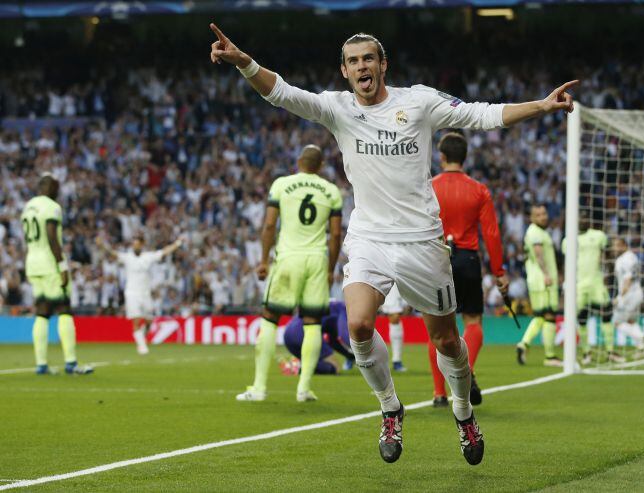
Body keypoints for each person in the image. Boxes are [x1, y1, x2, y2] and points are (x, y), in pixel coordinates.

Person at [209, 24, 575, 464]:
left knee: (445, 341)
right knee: (360, 325)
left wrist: (541, 104)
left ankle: (463, 412)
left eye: (368, 58)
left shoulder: (417, 101)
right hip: (369, 238)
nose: (361, 66)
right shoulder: (337, 109)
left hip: (422, 240)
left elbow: (481, 114)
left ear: (383, 65)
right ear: (344, 72)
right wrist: (244, 61)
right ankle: (390, 408)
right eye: (353, 61)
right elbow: (283, 93)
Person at [236, 144, 343, 403]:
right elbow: (336, 234)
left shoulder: (282, 184)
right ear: (319, 166)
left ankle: (259, 387)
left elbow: (270, 224)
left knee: (270, 318)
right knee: (313, 323)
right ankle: (304, 389)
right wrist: (330, 269)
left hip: (288, 258)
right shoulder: (331, 191)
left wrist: (263, 260)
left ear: (298, 162)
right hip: (316, 260)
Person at [430, 132, 508, 407]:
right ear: (465, 158)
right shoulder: (479, 190)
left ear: (441, 157)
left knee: (437, 326)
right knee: (473, 321)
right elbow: (492, 233)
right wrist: (499, 271)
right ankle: (466, 370)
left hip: (437, 258)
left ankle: (439, 394)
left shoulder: (429, 187)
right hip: (468, 260)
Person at [21, 174, 92, 375]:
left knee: (42, 312)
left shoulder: (28, 206)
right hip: (49, 263)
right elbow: (52, 236)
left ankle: (41, 364)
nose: (58, 193)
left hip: (32, 263)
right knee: (64, 309)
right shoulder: (51, 207)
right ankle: (71, 363)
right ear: (50, 188)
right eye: (56, 189)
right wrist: (61, 266)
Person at [96, 234, 185, 354]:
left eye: (137, 245)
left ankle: (141, 337)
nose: (135, 247)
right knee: (136, 319)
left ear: (142, 245)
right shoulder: (127, 257)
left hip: (145, 293)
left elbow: (164, 252)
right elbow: (113, 253)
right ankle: (141, 345)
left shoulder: (148, 257)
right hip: (132, 292)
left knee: (149, 320)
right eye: (133, 245)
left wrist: (178, 243)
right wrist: (102, 245)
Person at [561, 215, 623, 365]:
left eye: (584, 218)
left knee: (607, 313)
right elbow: (565, 264)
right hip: (579, 285)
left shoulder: (598, 236)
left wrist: (609, 276)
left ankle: (610, 351)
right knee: (581, 318)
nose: (582, 220)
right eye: (579, 218)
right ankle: (586, 353)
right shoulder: (567, 241)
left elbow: (607, 256)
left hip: (596, 282)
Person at [517, 204, 562, 367]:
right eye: (539, 215)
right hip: (542, 280)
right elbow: (538, 253)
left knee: (541, 316)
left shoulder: (539, 231)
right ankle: (550, 357)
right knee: (549, 315)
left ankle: (524, 344)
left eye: (544, 213)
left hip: (537, 280)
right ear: (532, 218)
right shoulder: (535, 232)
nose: (543, 217)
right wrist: (546, 274)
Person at [282, 300, 356, 375]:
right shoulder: (343, 308)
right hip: (305, 332)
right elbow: (343, 334)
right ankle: (299, 366)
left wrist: (351, 356)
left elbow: (333, 341)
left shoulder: (332, 304)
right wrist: (360, 351)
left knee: (315, 361)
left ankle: (298, 365)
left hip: (288, 334)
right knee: (335, 367)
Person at [612, 237, 644, 353]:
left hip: (630, 295)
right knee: (631, 321)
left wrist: (620, 297)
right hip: (637, 293)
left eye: (616, 245)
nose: (614, 248)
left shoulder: (625, 259)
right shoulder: (630, 257)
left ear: (623, 245)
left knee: (617, 323)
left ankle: (641, 336)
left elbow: (628, 279)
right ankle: (641, 348)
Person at [380, 284, 407, 372]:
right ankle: (352, 355)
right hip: (388, 277)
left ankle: (397, 360)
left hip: (403, 277)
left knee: (396, 317)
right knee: (394, 316)